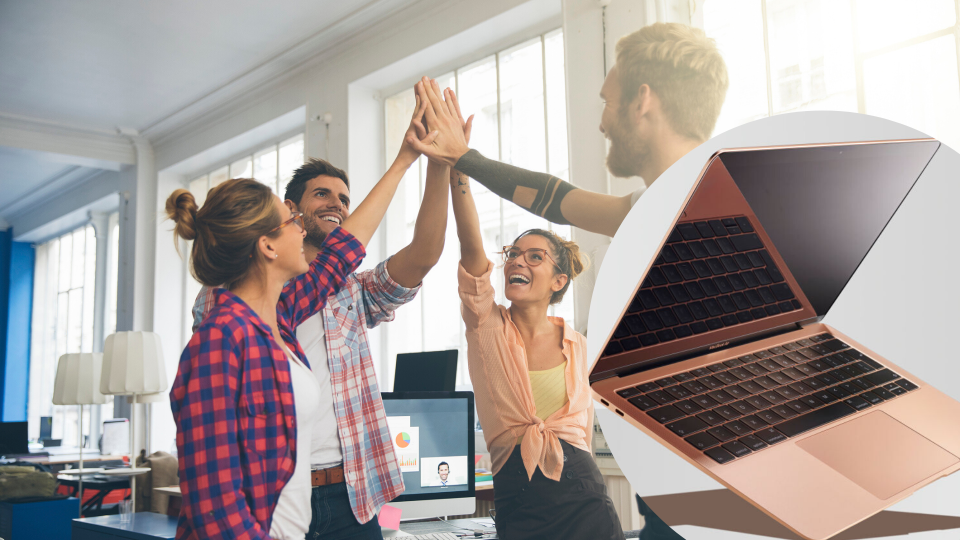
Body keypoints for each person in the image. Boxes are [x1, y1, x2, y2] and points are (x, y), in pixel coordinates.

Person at [191, 86, 447, 539]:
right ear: (290, 214)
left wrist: (437, 166)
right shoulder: (230, 310)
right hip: (271, 501)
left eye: (344, 199)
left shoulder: (338, 291)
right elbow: (213, 480)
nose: (338, 206)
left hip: (350, 494)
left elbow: (418, 254)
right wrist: (405, 158)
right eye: (322, 195)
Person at [440, 91, 623, 540]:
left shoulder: (577, 343)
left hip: (585, 500)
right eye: (514, 253)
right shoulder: (487, 326)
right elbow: (472, 252)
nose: (518, 261)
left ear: (559, 280)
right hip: (519, 502)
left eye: (535, 256)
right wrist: (456, 168)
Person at [409, 22, 728, 237]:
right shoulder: (654, 208)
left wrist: (463, 156)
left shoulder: (720, 207)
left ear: (641, 102)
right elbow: (557, 200)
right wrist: (462, 157)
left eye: (608, 102)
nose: (603, 125)